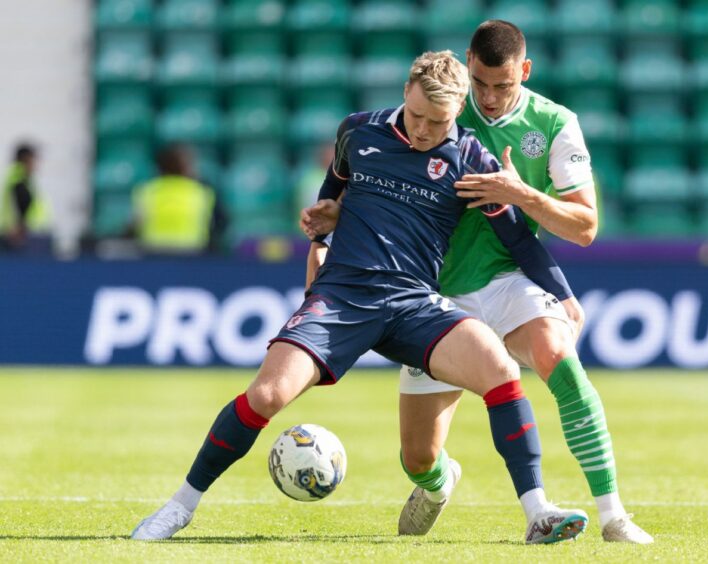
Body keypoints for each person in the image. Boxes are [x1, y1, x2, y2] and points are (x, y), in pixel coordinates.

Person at [130, 51, 587, 544]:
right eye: (415, 115)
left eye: (437, 122)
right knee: (266, 395)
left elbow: (518, 240)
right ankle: (179, 508)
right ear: (404, 93)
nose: (423, 131)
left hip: (414, 302)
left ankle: (537, 511)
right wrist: (323, 228)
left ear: (457, 112)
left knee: (499, 370)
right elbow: (333, 197)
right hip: (344, 296)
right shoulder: (358, 132)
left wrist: (561, 295)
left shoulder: (472, 157)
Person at [307, 21, 653, 544]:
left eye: (503, 86)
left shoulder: (554, 124)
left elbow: (585, 227)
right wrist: (332, 223)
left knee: (559, 356)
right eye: (481, 83)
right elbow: (363, 178)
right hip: (428, 297)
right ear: (467, 66)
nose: (488, 99)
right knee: (418, 455)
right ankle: (439, 482)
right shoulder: (439, 110)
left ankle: (614, 516)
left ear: (526, 72)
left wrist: (524, 197)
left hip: (505, 280)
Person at [129, 144, 227, 255]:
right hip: (193, 254)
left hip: (154, 253)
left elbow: (135, 226)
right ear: (186, 168)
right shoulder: (201, 191)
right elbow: (218, 224)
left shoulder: (147, 190)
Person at [0, 143, 50, 251]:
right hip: (20, 237)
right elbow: (22, 203)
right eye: (33, 161)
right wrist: (19, 227)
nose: (35, 165)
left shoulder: (16, 177)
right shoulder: (19, 180)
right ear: (25, 160)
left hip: (17, 234)